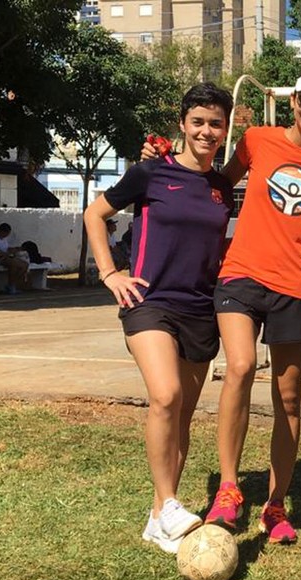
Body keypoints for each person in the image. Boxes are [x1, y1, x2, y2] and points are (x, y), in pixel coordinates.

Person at [143, 69, 301, 543]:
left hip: (294, 284)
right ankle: (229, 489)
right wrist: (162, 161)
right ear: (294, 100)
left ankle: (275, 507)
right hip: (240, 275)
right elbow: (213, 183)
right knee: (239, 365)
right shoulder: (257, 139)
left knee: (289, 399)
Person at [83, 82, 235, 553]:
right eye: (198, 122)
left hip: (199, 308)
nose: (206, 131)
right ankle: (170, 502)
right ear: (182, 125)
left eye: (215, 123)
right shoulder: (149, 172)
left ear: (225, 129)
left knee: (182, 415)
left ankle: (158, 516)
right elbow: (94, 214)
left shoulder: (223, 187)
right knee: (165, 395)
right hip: (149, 301)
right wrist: (110, 273)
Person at [0, 223, 28, 294]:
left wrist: (14, 249)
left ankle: (12, 285)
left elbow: (5, 248)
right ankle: (11, 286)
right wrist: (7, 254)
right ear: (3, 232)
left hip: (6, 257)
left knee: (24, 265)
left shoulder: (3, 239)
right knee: (15, 264)